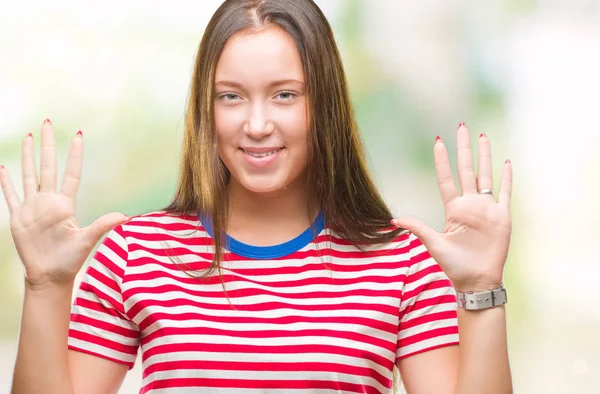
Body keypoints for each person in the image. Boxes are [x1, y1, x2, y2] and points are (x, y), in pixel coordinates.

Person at [1, 0, 513, 393]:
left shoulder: (400, 263)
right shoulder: (135, 253)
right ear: (207, 109)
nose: (258, 124)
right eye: (231, 96)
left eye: (285, 94)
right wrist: (46, 284)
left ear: (324, 105)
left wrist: (483, 288)